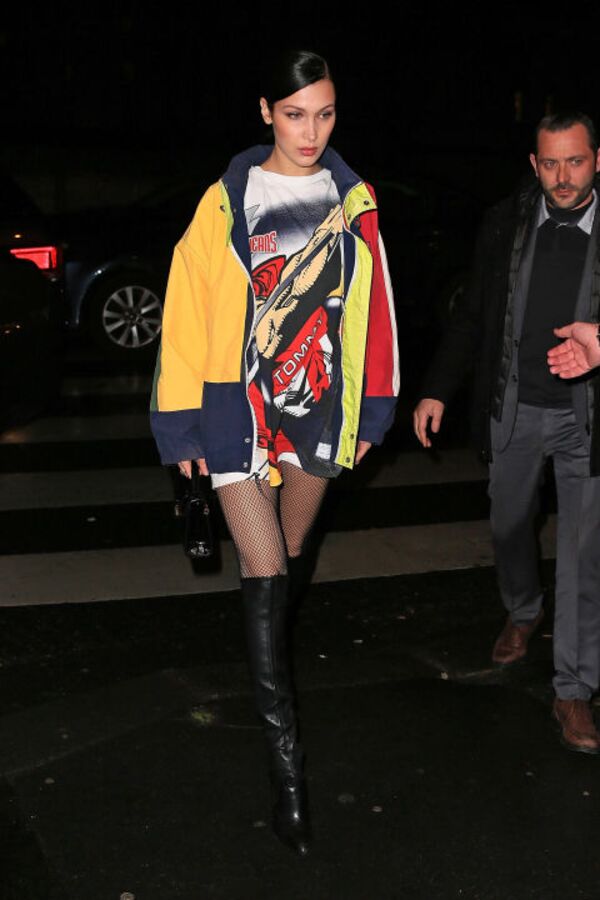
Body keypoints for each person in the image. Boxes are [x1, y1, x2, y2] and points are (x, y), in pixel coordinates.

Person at [150, 49, 400, 855]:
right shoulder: (228, 199)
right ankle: (287, 771)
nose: (310, 131)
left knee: (287, 560)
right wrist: (181, 426)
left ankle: (269, 670)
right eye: (295, 115)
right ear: (266, 111)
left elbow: (377, 309)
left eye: (324, 114)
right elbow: (186, 310)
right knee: (263, 567)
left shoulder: (351, 199)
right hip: (238, 410)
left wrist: (376, 406)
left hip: (317, 409)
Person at [413, 111, 600, 755]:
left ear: (598, 160)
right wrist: (437, 387)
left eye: (575, 161)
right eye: (550, 163)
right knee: (508, 523)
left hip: (587, 417)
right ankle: (523, 608)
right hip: (513, 407)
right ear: (533, 164)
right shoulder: (505, 223)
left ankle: (574, 689)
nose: (562, 177)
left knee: (584, 555)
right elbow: (474, 314)